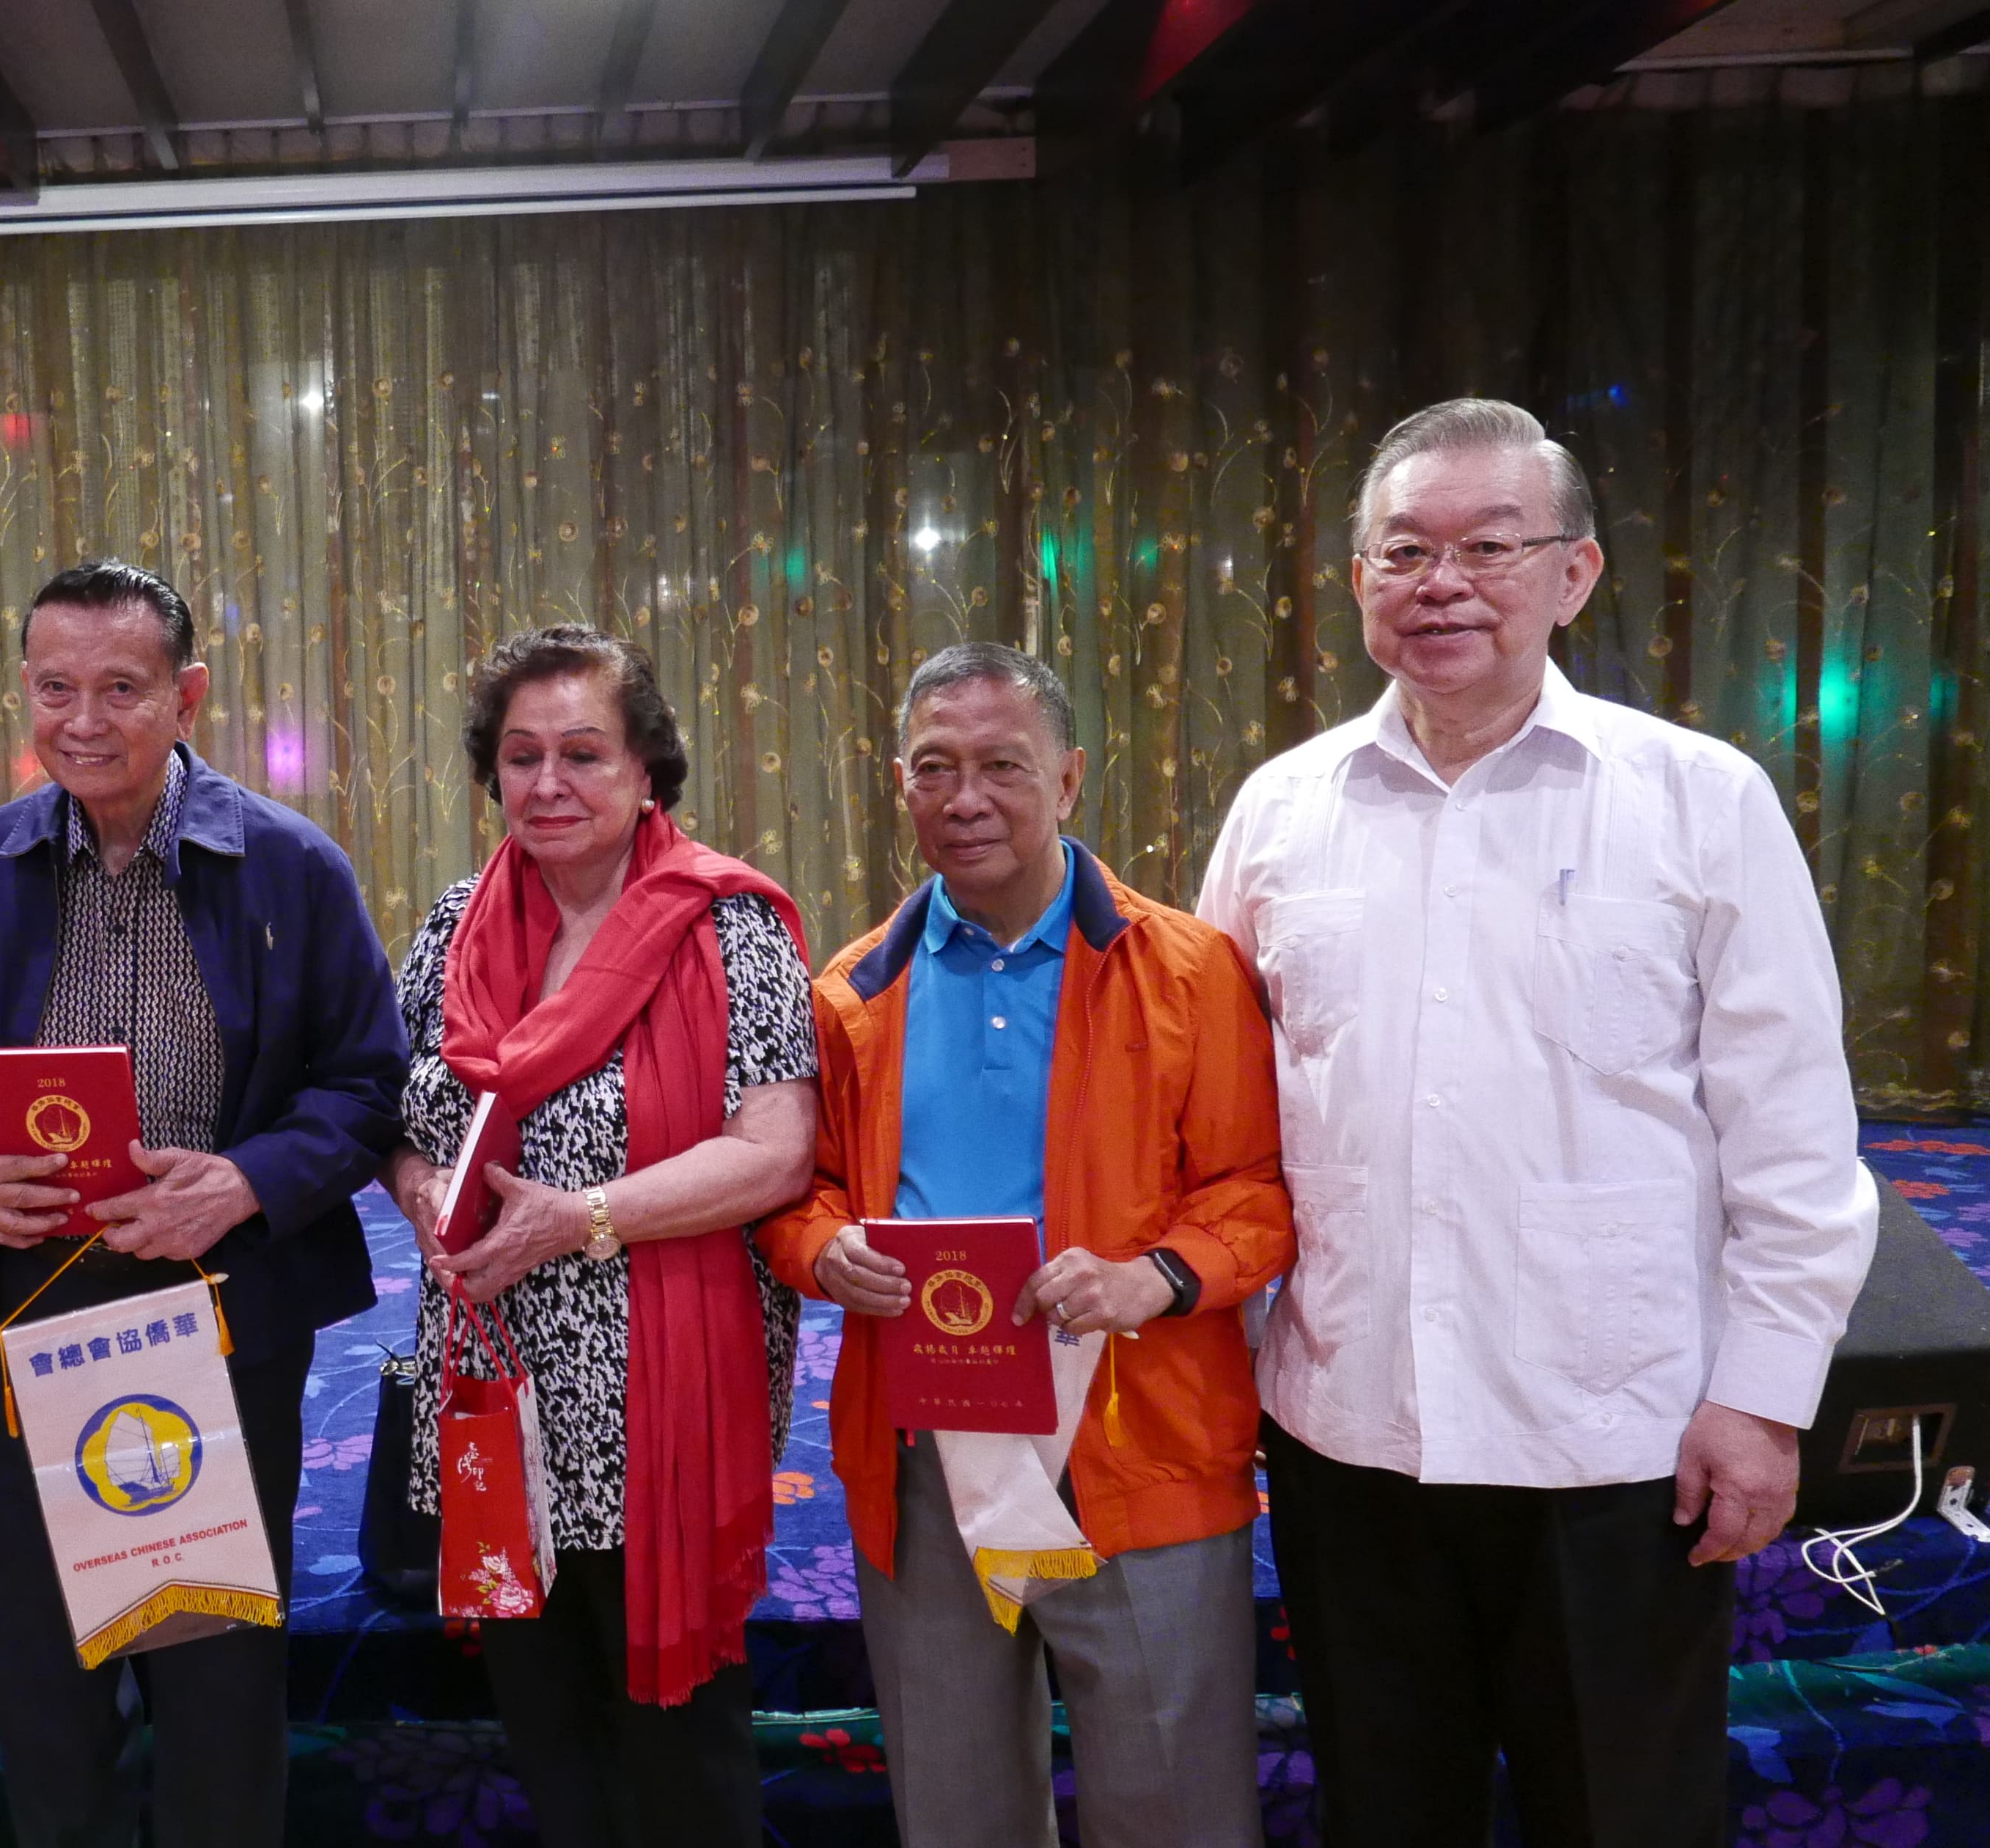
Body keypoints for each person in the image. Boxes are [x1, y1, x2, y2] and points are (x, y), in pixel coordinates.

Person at [1197, 397, 1880, 1847]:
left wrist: (1762, 1401)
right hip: (1350, 1435)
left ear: (1573, 574)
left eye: (1488, 547)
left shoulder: (1697, 800)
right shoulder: (1280, 811)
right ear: (1358, 580)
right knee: (1387, 1813)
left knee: (1621, 1816)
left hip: (1615, 1441)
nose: (1440, 583)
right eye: (1404, 551)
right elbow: (1216, 1116)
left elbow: (1794, 1140)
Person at [0, 560, 408, 1848]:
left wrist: (246, 1180)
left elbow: (367, 1083)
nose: (83, 721)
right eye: (54, 689)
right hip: (33, 1305)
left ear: (188, 697)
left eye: (121, 689)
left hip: (220, 1305)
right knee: (48, 1672)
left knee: (215, 1672)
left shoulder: (290, 866)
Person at [755, 641, 1293, 1847]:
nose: (967, 799)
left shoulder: (1188, 971)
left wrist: (1154, 1276)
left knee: (1174, 1807)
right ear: (900, 783)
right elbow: (801, 1192)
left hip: (1136, 1432)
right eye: (935, 768)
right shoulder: (852, 993)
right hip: (925, 1442)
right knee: (956, 1808)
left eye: (1003, 765)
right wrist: (826, 1249)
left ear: (1070, 778)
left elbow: (1258, 1190)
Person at [380, 626, 818, 1848]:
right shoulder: (457, 924)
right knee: (546, 1731)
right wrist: (419, 1188)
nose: (549, 784)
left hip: (656, 1399)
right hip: (491, 1390)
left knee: (677, 1755)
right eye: (521, 756)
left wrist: (578, 1220)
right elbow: (393, 1116)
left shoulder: (725, 928)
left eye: (583, 753)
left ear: (645, 770)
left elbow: (776, 1151)